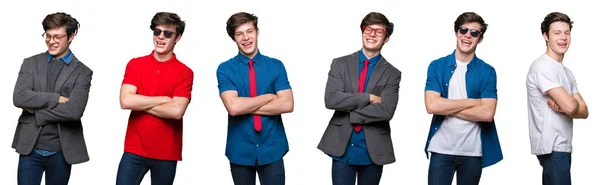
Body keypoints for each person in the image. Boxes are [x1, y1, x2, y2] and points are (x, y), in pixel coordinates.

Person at [317, 12, 401, 185]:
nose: (372, 34)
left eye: (379, 31)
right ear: (362, 32)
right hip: (342, 146)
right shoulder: (339, 64)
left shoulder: (393, 74)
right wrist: (368, 97)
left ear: (386, 38)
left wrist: (349, 111)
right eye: (368, 29)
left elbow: (386, 111)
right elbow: (331, 100)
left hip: (373, 149)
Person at [12, 12, 93, 185]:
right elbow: (19, 98)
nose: (51, 41)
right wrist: (56, 98)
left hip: (61, 150)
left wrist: (37, 112)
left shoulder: (83, 72)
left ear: (71, 36)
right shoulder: (30, 63)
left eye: (57, 36)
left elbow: (74, 111)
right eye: (47, 35)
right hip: (30, 147)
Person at [423, 12, 502, 185]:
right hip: (441, 149)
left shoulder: (488, 71)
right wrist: (472, 102)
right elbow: (432, 106)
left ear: (480, 39)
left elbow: (487, 114)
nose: (467, 36)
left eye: (474, 33)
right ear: (457, 32)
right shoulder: (437, 66)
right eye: (463, 30)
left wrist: (447, 107)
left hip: (473, 152)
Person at [216, 12, 294, 185]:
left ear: (257, 32)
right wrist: (269, 97)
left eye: (249, 31)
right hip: (240, 149)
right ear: (233, 38)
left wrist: (245, 105)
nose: (246, 38)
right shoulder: (225, 69)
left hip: (272, 147)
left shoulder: (276, 65)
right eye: (239, 34)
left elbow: (287, 104)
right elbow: (234, 107)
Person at [116, 12, 193, 185]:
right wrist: (164, 99)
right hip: (134, 149)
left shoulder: (185, 72)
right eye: (157, 32)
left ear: (178, 37)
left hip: (167, 152)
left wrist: (140, 102)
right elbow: (126, 101)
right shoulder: (135, 64)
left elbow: (176, 111)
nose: (160, 37)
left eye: (167, 33)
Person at [526, 12, 589, 185]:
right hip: (552, 147)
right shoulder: (543, 66)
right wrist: (571, 105)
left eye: (567, 32)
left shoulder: (567, 72)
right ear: (545, 36)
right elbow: (572, 107)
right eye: (557, 33)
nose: (563, 38)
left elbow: (585, 112)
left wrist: (569, 105)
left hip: (563, 147)